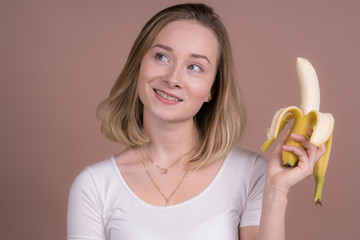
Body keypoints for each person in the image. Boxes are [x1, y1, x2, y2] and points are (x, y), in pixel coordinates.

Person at [67, 3, 325, 240]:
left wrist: (276, 192)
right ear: (138, 65)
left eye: (195, 67)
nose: (173, 77)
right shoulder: (94, 187)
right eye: (161, 57)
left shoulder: (251, 173)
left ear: (212, 89)